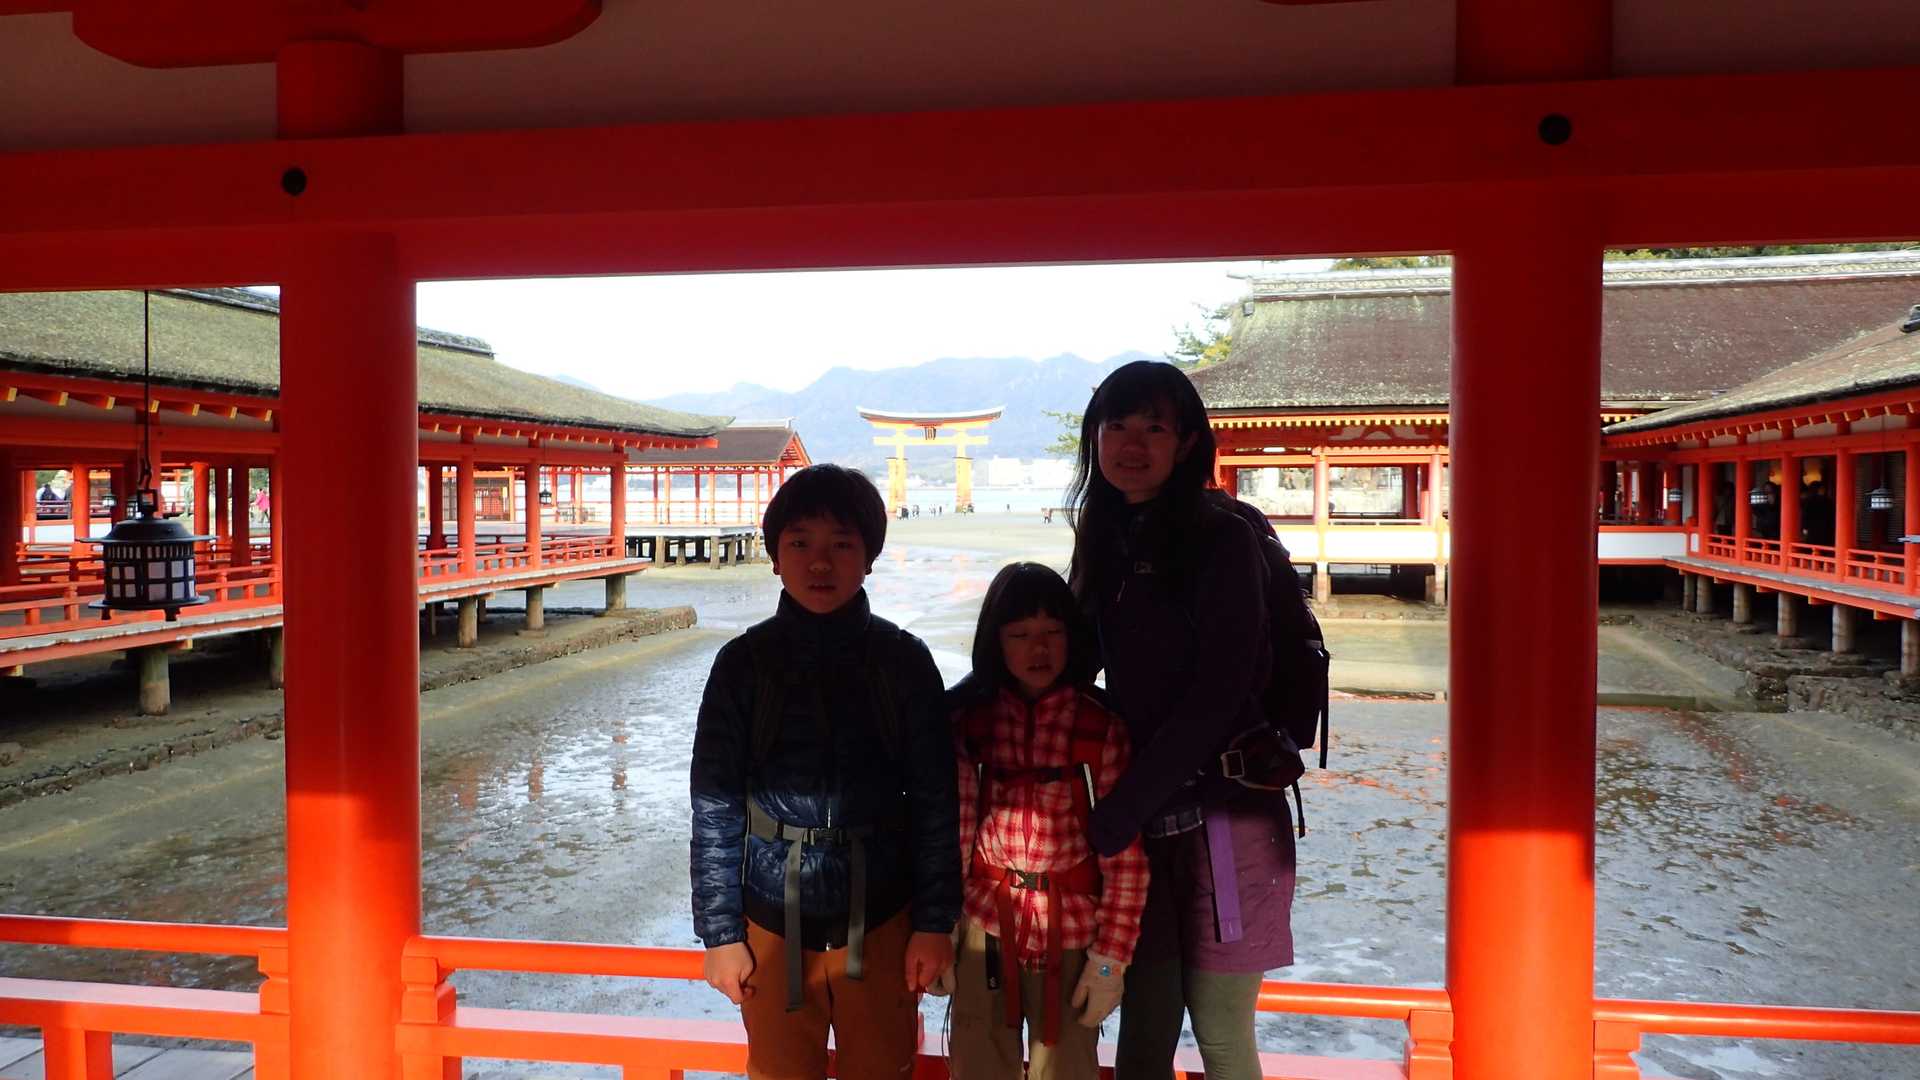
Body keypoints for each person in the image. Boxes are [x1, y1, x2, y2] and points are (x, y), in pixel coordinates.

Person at [689, 463, 961, 1080]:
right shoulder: (743, 665)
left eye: (841, 544)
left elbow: (936, 802)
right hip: (770, 918)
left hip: (884, 914)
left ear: (869, 557)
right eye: (799, 543)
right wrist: (721, 934)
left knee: (884, 1070)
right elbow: (715, 806)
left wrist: (933, 923)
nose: (819, 563)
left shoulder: (903, 661)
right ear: (775, 557)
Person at [1066, 360, 1289, 1080]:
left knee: (1220, 1035)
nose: (1132, 444)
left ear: (1187, 442)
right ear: (1095, 437)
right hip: (1143, 830)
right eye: (1117, 426)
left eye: (1154, 428)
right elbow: (1068, 663)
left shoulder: (1220, 539)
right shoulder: (1106, 533)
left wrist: (1121, 807)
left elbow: (1220, 692)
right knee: (1144, 1034)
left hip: (1227, 818)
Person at [938, 562, 1148, 1080]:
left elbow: (1126, 860)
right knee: (977, 1066)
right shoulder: (971, 724)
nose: (1039, 649)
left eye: (1052, 633)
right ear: (995, 642)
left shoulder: (1101, 730)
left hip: (1073, 934)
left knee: (1069, 1069)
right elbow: (953, 840)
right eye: (1020, 635)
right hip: (983, 925)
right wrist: (939, 930)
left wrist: (1110, 961)